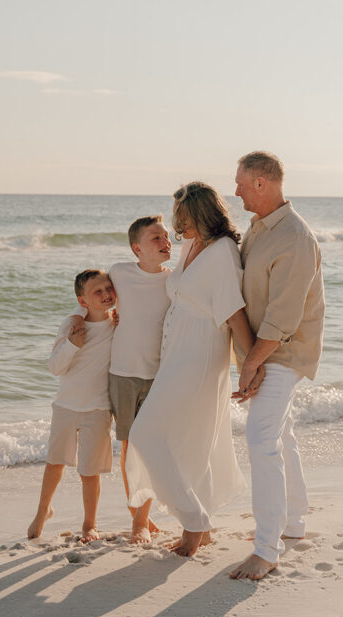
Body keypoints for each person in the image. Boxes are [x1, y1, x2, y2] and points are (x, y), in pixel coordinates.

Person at [126, 182, 261, 557]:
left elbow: (235, 314)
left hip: (200, 353)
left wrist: (249, 366)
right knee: (194, 440)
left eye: (182, 217)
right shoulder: (191, 245)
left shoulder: (221, 252)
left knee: (146, 433)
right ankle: (201, 526)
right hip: (177, 353)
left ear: (201, 213)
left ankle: (194, 522)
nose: (176, 223)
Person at [229, 151, 325, 582]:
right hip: (264, 351)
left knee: (260, 436)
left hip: (282, 351)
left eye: (241, 183)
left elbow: (284, 318)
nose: (236, 191)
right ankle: (293, 522)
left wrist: (252, 363)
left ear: (262, 183)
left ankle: (266, 550)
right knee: (280, 433)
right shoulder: (259, 228)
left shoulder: (294, 237)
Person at [27, 269, 116, 543]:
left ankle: (89, 524)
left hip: (99, 409)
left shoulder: (119, 322)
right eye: (96, 292)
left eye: (107, 288)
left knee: (89, 471)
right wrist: (73, 344)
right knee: (55, 463)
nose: (105, 294)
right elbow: (55, 367)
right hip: (66, 405)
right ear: (83, 300)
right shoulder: (72, 325)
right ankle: (43, 511)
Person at [108, 215, 172, 544]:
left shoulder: (174, 280)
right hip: (121, 374)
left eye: (166, 236)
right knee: (128, 447)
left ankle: (141, 521)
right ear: (137, 248)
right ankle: (138, 514)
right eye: (156, 239)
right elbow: (95, 300)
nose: (166, 242)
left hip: (158, 376)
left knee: (146, 447)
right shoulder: (119, 273)